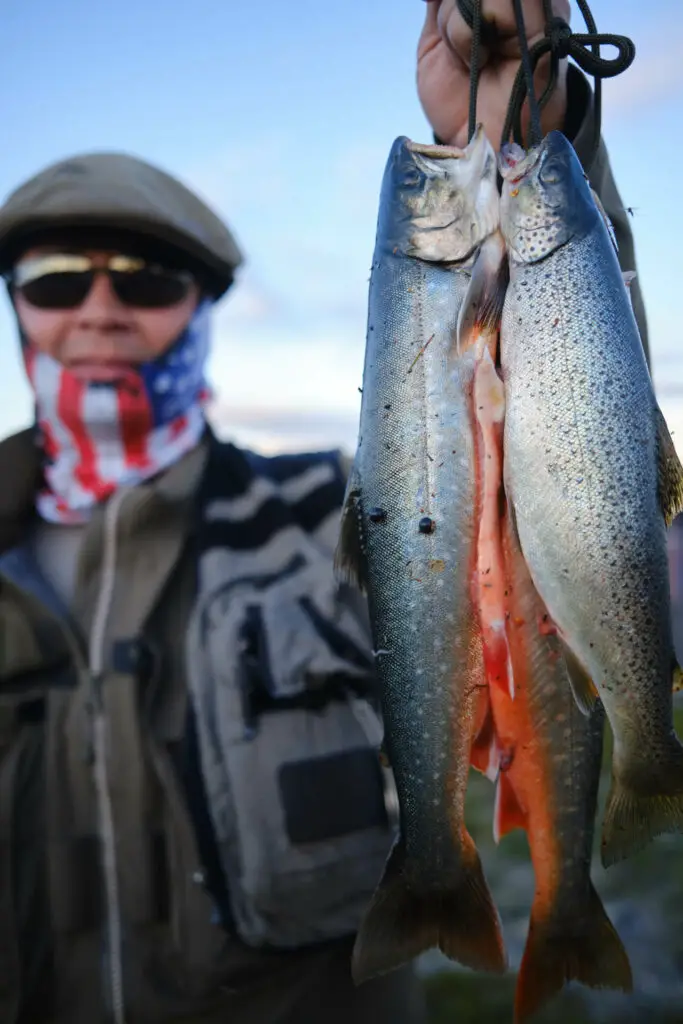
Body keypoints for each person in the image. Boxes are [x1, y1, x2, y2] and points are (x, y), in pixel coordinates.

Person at [0, 2, 647, 1022]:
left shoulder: (320, 515)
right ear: (16, 304)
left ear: (202, 301)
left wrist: (521, 140)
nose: (98, 306)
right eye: (53, 276)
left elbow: (574, 454)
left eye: (148, 276)